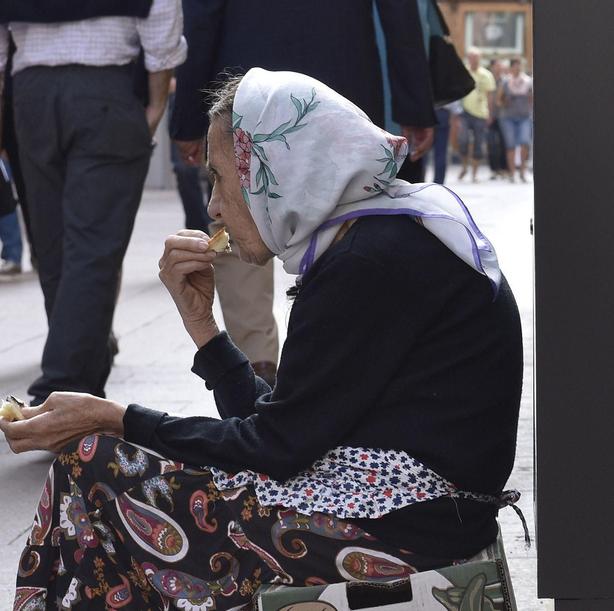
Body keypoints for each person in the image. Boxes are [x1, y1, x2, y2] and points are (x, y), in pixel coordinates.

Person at [0, 69, 523, 611]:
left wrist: (114, 417)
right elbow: (286, 429)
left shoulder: (369, 259)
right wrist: (203, 328)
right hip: (401, 506)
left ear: (281, 168)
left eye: (222, 178)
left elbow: (275, 446)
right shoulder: (386, 229)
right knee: (129, 461)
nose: (213, 206)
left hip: (400, 535)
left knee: (94, 466)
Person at [173, 0, 437, 383]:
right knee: (345, 218)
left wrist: (186, 119)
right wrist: (414, 102)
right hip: (340, 79)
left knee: (238, 214)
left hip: (244, 82)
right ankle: (342, 363)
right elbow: (399, 11)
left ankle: (256, 365)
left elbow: (201, 17)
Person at [0, 0, 186, 406]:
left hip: (31, 91)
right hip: (107, 87)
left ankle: (79, 383)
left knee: (53, 245)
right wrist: (155, 104)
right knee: (93, 247)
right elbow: (162, 18)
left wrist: (1, 86)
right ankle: (61, 386)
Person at [458, 49, 495, 182]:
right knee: (463, 140)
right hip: (464, 112)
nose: (474, 59)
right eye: (472, 57)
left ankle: (474, 173)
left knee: (478, 142)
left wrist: (490, 114)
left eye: (477, 57)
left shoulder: (486, 75)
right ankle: (464, 166)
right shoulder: (463, 72)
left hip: (480, 112)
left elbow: (490, 96)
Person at [498, 58, 532, 183]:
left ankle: (522, 170)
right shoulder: (505, 82)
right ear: (511, 67)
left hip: (524, 117)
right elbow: (499, 100)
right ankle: (512, 172)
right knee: (511, 145)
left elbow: (531, 98)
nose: (518, 68)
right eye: (515, 65)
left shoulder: (528, 82)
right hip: (508, 117)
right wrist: (505, 103)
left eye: (519, 65)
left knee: (524, 142)